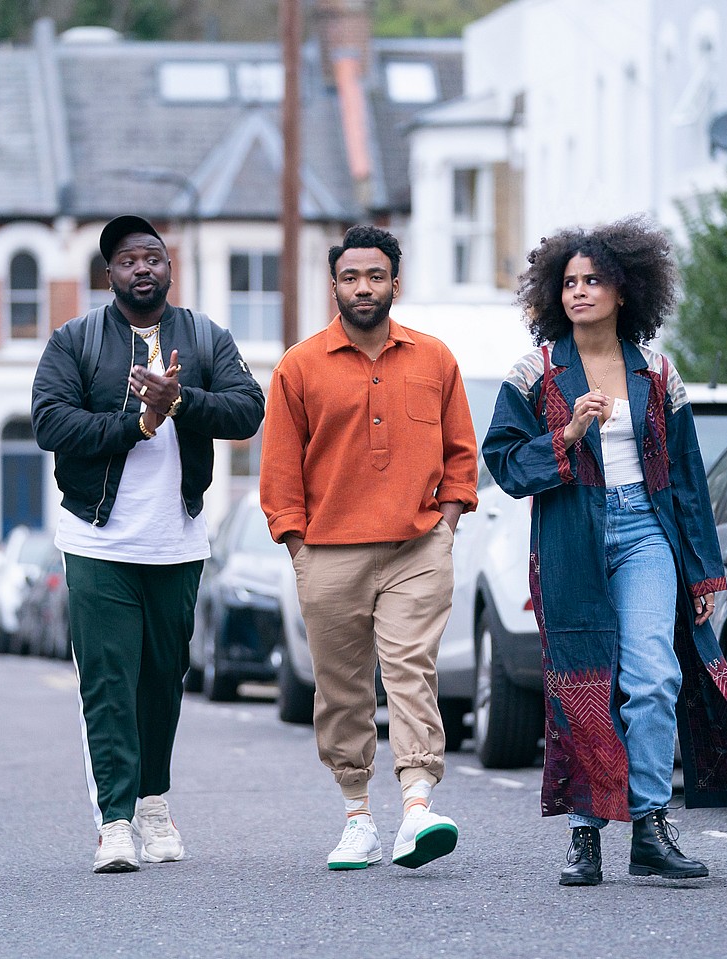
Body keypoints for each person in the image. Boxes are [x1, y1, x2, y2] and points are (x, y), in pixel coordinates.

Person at [481, 217, 727, 887]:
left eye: (595, 280)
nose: (580, 291)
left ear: (625, 289)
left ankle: (650, 826)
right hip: (569, 535)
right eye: (570, 281)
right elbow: (505, 464)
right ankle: (585, 834)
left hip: (646, 531)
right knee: (584, 683)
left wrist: (702, 569)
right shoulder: (536, 372)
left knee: (653, 674)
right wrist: (571, 431)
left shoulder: (658, 372)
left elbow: (690, 480)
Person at [31, 214, 264, 873]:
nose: (143, 268)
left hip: (177, 540)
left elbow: (250, 408)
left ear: (169, 268)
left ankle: (154, 803)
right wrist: (137, 422)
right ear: (111, 275)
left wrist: (181, 400)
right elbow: (50, 421)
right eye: (129, 260)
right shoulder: (74, 341)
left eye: (153, 258)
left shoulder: (204, 337)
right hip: (97, 538)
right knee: (107, 681)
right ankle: (114, 822)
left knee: (162, 679)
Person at [259, 225, 479, 871]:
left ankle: (417, 804)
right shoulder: (299, 366)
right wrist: (298, 546)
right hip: (328, 553)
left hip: (417, 546)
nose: (363, 287)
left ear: (395, 283)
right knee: (343, 688)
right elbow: (279, 472)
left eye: (375, 276)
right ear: (334, 285)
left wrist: (446, 524)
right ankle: (357, 813)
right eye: (351, 277)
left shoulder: (434, 358)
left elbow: (461, 454)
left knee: (410, 669)